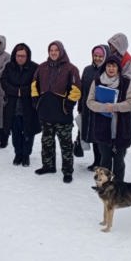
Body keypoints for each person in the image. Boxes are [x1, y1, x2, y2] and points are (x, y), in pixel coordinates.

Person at [31, 40, 82, 183]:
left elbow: (76, 89)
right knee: (46, 142)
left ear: (61, 51)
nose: (53, 52)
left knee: (65, 145)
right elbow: (34, 85)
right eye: (51, 50)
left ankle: (67, 171)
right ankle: (48, 166)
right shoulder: (42, 68)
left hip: (62, 114)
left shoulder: (71, 69)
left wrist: (68, 105)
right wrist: (37, 102)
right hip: (46, 113)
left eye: (56, 50)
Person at [86, 54, 131, 181]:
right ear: (105, 67)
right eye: (109, 66)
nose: (111, 69)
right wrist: (104, 107)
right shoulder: (97, 81)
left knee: (119, 162)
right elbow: (90, 102)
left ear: (118, 68)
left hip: (121, 129)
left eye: (114, 66)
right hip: (102, 128)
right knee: (105, 160)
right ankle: (104, 187)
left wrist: (115, 107)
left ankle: (118, 188)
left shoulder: (126, 83)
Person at [1, 42, 41, 166]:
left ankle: (26, 154)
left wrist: (22, 91)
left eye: (23, 56)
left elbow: (37, 84)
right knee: (15, 132)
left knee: (28, 132)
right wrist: (15, 91)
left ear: (27, 56)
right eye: (18, 55)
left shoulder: (35, 67)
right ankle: (18, 153)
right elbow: (3, 81)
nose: (20, 58)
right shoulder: (9, 66)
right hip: (12, 105)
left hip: (28, 106)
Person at [78, 44, 110, 170]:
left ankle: (103, 162)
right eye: (95, 55)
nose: (97, 58)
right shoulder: (87, 70)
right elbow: (82, 89)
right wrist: (80, 105)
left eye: (100, 56)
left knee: (100, 137)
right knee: (92, 135)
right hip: (88, 108)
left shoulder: (109, 70)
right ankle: (96, 161)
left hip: (102, 110)